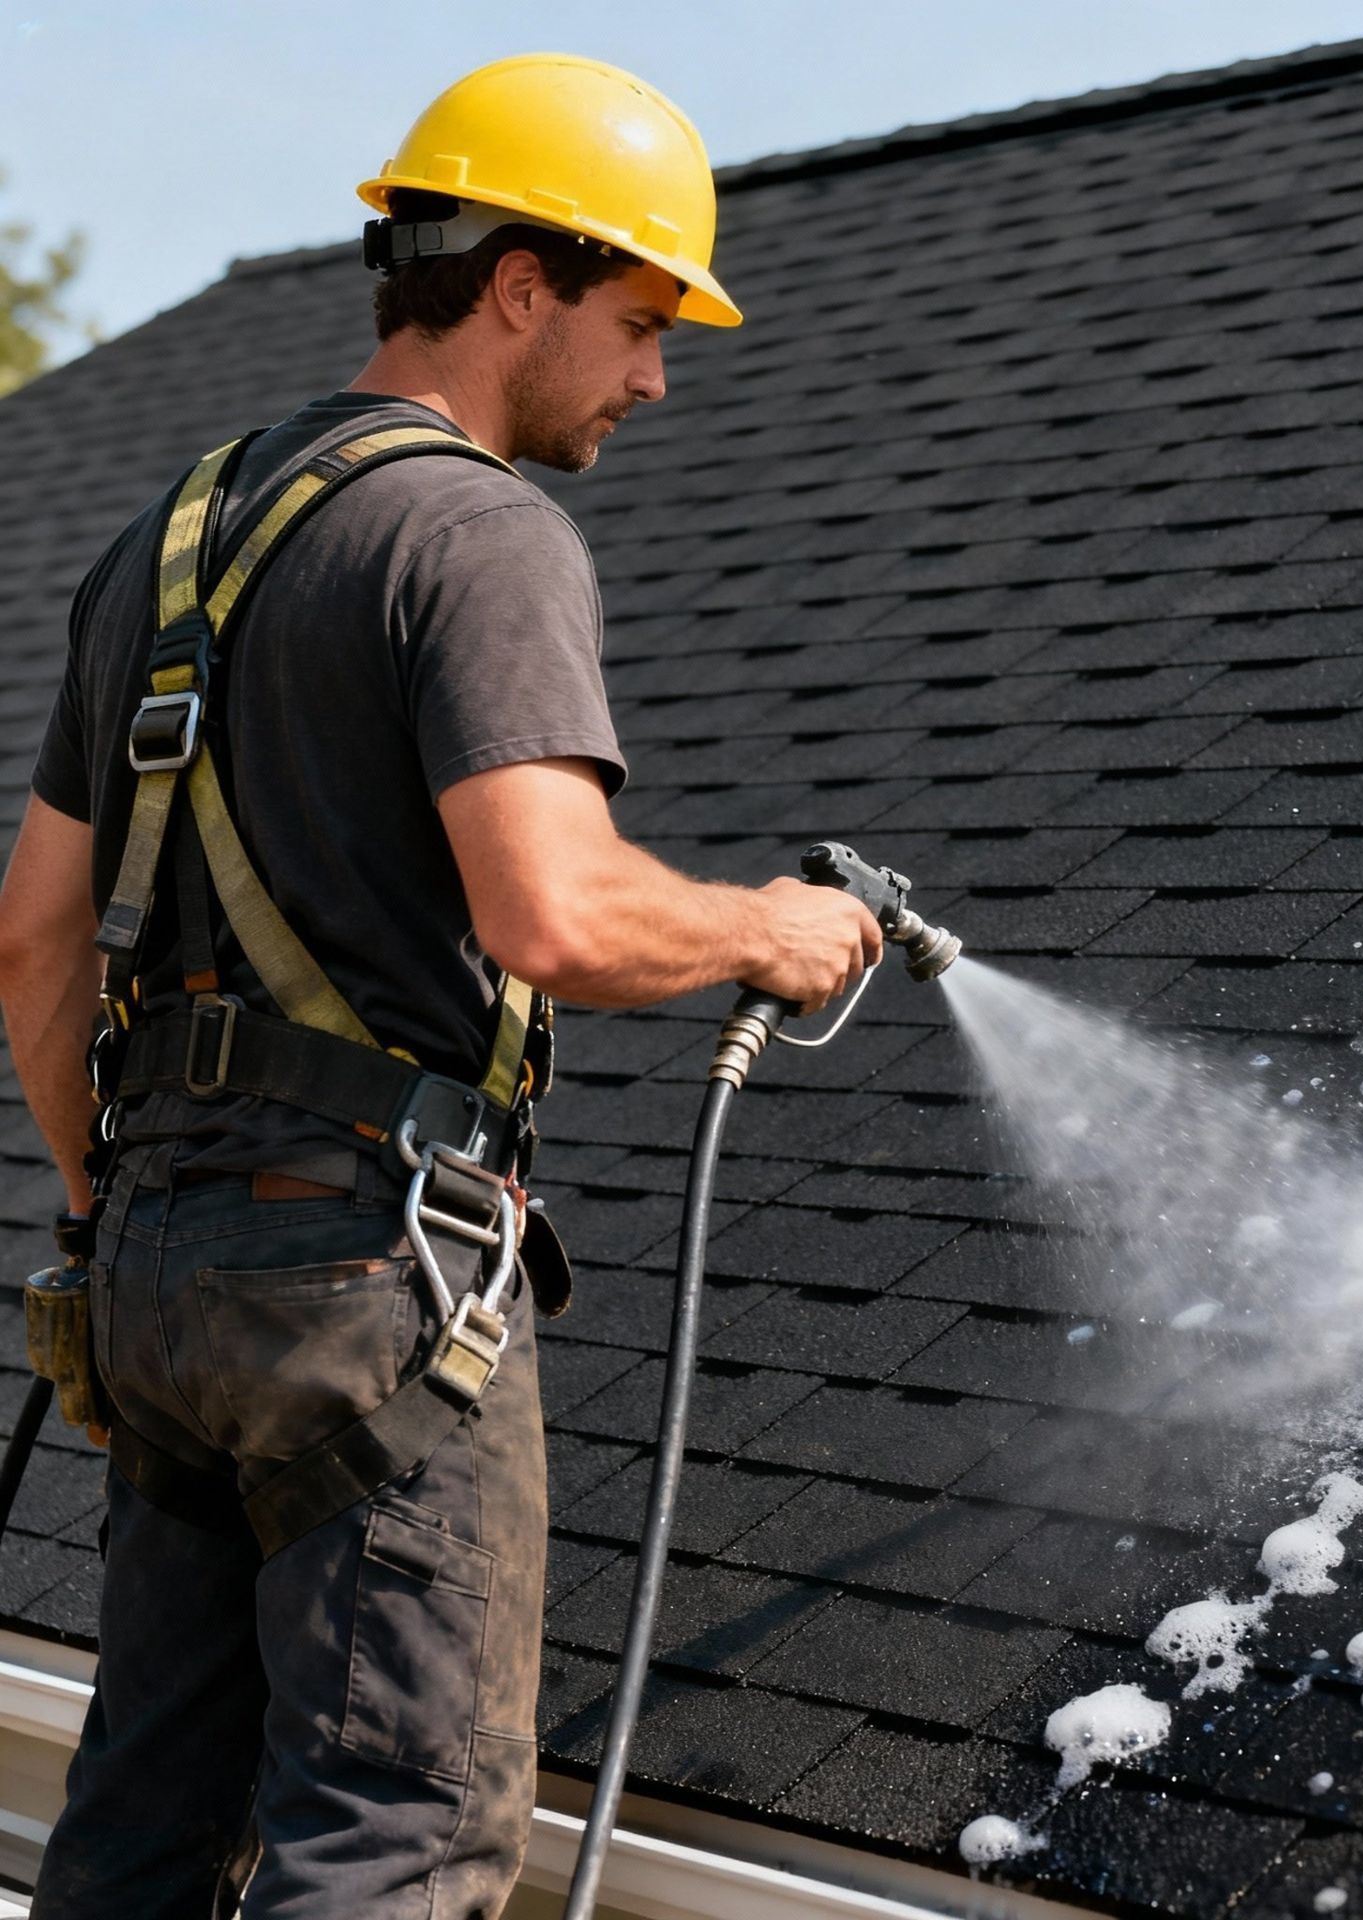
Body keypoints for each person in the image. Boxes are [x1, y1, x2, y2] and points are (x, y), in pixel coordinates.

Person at [0, 53, 878, 1920]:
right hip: (358, 1291)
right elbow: (554, 919)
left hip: (152, 1282)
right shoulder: (476, 536)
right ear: (515, 286)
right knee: (393, 1839)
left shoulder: (163, 540)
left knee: (144, 1820)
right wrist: (767, 931)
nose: (654, 377)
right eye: (641, 322)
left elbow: (34, 943)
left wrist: (110, 1200)